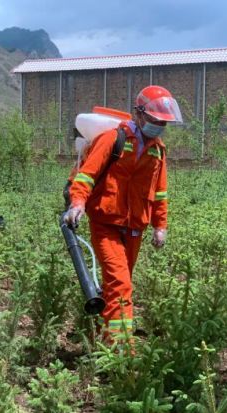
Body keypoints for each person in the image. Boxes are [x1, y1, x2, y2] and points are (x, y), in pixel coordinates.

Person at [64, 85, 182, 342]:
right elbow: (87, 175)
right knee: (121, 284)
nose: (159, 125)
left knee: (115, 285)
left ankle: (105, 338)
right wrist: (78, 203)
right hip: (106, 224)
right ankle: (121, 350)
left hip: (135, 228)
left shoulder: (157, 151)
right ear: (138, 114)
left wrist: (160, 226)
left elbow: (160, 192)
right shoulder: (113, 139)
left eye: (164, 122)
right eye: (155, 119)